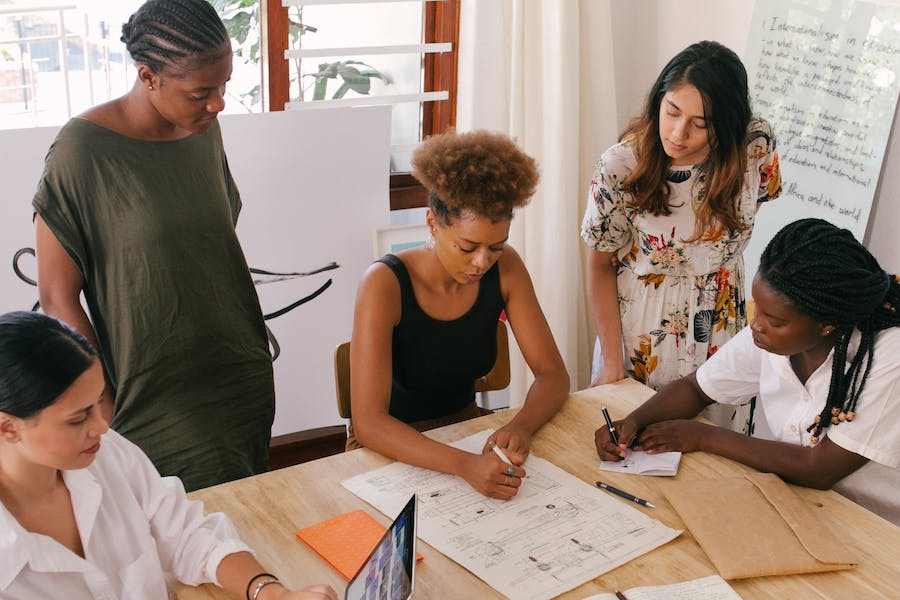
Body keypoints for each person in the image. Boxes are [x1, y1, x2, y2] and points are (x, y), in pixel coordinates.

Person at [33, 0, 274, 491]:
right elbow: (58, 297)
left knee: (246, 519)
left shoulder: (202, 130)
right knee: (174, 535)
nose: (218, 103)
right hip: (152, 392)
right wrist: (100, 399)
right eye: (201, 92)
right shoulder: (82, 152)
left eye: (224, 85)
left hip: (237, 371)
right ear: (148, 77)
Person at [0, 311, 336, 599]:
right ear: (7, 428)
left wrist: (270, 591)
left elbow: (187, 534)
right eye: (78, 418)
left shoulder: (106, 454)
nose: (102, 427)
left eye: (97, 404)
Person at [595, 219, 900, 525]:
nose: (755, 324)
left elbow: (818, 468)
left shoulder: (888, 356)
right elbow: (696, 389)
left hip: (877, 525)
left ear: (826, 324)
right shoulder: (772, 334)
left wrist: (705, 437)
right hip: (804, 503)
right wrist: (635, 421)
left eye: (774, 320)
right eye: (759, 309)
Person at [349, 130, 570, 500]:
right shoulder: (384, 283)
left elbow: (553, 374)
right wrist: (465, 465)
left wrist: (522, 425)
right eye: (467, 247)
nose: (482, 262)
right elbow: (369, 424)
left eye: (495, 247)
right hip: (390, 448)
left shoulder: (506, 268)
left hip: (465, 432)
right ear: (433, 223)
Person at [581, 40, 782, 432]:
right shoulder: (621, 165)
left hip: (723, 325)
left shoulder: (755, 146)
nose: (677, 132)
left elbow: (757, 203)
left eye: (700, 123)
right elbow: (599, 265)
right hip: (644, 331)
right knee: (637, 449)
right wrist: (611, 361)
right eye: (671, 111)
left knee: (718, 457)